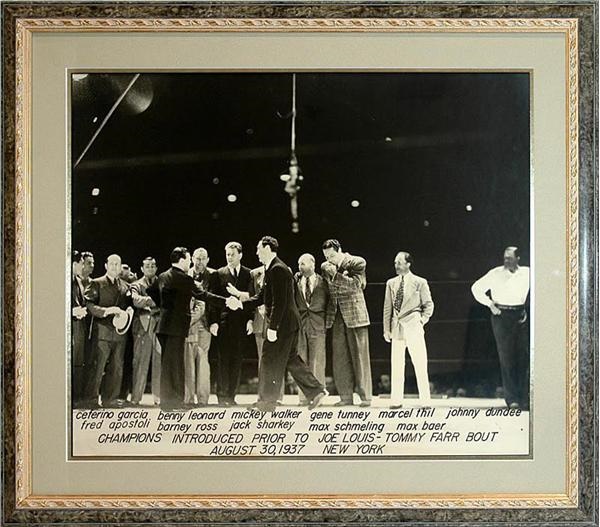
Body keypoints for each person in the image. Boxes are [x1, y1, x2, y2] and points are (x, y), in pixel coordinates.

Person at [227, 236, 327, 413]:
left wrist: (273, 328)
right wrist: (240, 303)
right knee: (291, 359)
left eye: (259, 248)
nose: (256, 252)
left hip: (283, 325)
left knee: (268, 359)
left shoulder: (278, 269)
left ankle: (266, 404)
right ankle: (316, 391)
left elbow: (280, 302)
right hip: (287, 324)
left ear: (267, 248)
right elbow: (261, 298)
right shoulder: (272, 268)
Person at [147, 247, 239, 411]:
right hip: (176, 327)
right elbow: (204, 295)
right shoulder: (184, 279)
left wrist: (166, 307)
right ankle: (174, 403)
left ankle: (168, 403)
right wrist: (226, 301)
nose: (190, 262)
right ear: (182, 260)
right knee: (176, 365)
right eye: (189, 259)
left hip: (163, 326)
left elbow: (151, 291)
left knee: (168, 365)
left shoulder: (162, 275)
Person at [471, 246, 530, 410]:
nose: (506, 261)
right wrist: (490, 304)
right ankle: (512, 399)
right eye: (505, 258)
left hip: (520, 315)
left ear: (518, 259)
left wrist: (526, 309)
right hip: (501, 316)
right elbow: (476, 288)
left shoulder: (527, 272)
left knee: (523, 357)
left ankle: (524, 398)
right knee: (507, 358)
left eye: (509, 258)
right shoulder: (495, 273)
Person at [321, 239, 372, 407]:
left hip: (355, 316)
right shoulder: (325, 267)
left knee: (359, 357)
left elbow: (355, 286)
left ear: (340, 250)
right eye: (327, 257)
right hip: (336, 316)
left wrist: (335, 275)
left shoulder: (357, 262)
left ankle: (365, 397)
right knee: (340, 358)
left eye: (332, 256)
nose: (330, 260)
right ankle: (345, 397)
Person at [382, 251, 434, 408]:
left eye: (399, 262)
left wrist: (422, 320)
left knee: (420, 363)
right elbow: (387, 308)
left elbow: (429, 304)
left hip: (414, 326)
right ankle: (396, 401)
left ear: (408, 264)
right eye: (395, 262)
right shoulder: (391, 283)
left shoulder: (420, 282)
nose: (396, 265)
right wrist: (386, 329)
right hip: (396, 328)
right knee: (397, 365)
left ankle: (425, 400)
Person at [83, 254, 134, 408]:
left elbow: (129, 305)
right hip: (102, 333)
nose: (114, 266)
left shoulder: (125, 286)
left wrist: (128, 312)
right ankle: (91, 399)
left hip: (120, 334)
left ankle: (110, 399)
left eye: (117, 264)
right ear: (105, 266)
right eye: (111, 263)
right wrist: (107, 310)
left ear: (120, 267)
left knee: (117, 367)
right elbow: (90, 305)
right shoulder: (96, 283)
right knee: (97, 367)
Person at [208, 242, 253, 406]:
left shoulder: (248, 274)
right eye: (227, 254)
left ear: (240, 255)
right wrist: (213, 322)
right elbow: (212, 300)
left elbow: (252, 298)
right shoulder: (218, 274)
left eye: (232, 254)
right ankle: (222, 396)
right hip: (224, 323)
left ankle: (232, 395)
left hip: (241, 323)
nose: (229, 257)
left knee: (237, 359)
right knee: (223, 359)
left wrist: (250, 319)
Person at [295, 253, 329, 405]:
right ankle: (303, 397)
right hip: (300, 324)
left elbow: (330, 303)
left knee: (318, 361)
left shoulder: (323, 282)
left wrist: (326, 323)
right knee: (301, 360)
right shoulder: (295, 281)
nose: (300, 267)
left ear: (312, 264)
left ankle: (318, 396)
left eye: (302, 264)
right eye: (299, 264)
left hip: (318, 324)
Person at [185, 248, 215, 407]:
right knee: (187, 360)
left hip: (205, 324)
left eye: (203, 258)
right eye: (197, 258)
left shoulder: (214, 275)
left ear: (208, 259)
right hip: (188, 324)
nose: (200, 262)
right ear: (192, 259)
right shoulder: (185, 274)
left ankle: (203, 399)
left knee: (203, 360)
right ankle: (188, 399)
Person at [130, 257, 161, 406]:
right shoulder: (136, 284)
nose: (150, 268)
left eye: (153, 266)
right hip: (142, 328)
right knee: (140, 362)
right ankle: (136, 397)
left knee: (158, 362)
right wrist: (151, 300)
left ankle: (158, 397)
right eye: (147, 266)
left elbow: (166, 300)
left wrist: (147, 302)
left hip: (159, 327)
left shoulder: (162, 282)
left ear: (156, 268)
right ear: (142, 269)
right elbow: (135, 300)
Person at [71, 250, 88, 405]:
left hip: (79, 326)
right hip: (69, 327)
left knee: (78, 361)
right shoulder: (62, 280)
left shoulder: (79, 281)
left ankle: (76, 397)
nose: (83, 267)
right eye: (82, 264)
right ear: (74, 263)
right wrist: (70, 311)